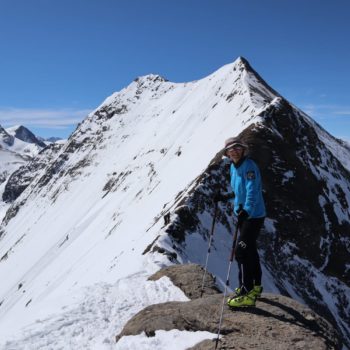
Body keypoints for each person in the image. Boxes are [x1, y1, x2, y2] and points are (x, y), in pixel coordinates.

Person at [215, 136, 266, 307]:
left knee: (241, 252)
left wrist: (247, 210)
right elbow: (240, 191)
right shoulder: (233, 167)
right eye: (231, 150)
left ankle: (247, 292)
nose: (234, 151)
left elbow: (252, 191)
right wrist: (225, 197)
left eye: (237, 148)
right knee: (250, 250)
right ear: (227, 154)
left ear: (243, 149)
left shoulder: (249, 166)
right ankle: (256, 287)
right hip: (245, 214)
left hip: (253, 216)